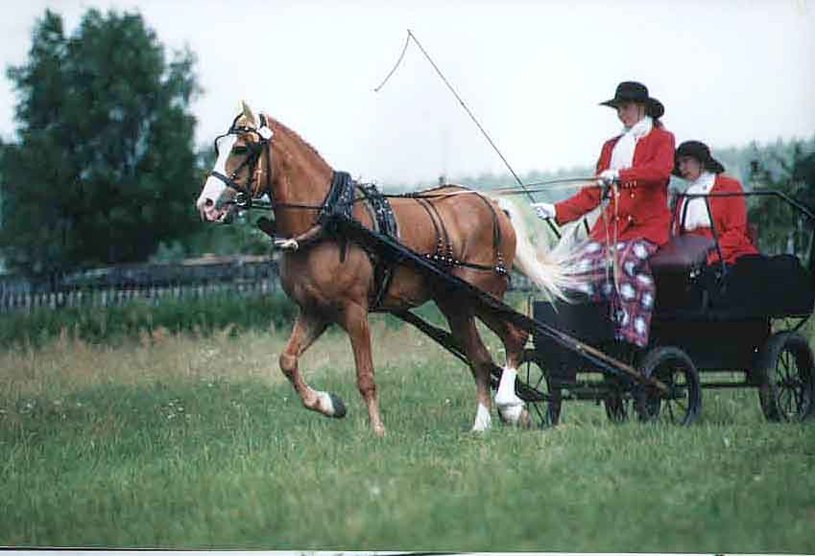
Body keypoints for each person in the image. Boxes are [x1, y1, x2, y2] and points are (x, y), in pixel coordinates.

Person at [531, 81, 675, 347]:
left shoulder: (661, 139)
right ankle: (593, 331)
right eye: (618, 109)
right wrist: (556, 211)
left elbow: (660, 171)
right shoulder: (611, 147)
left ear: (642, 108)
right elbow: (593, 194)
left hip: (646, 229)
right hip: (611, 230)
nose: (621, 114)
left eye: (626, 107)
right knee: (577, 267)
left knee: (624, 264)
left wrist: (621, 175)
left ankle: (632, 335)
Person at [672, 140, 758, 266]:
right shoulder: (684, 197)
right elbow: (679, 237)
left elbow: (737, 232)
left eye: (686, 161)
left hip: (730, 255)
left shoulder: (729, 187)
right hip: (693, 260)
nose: (681, 168)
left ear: (701, 162)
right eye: (679, 164)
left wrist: (713, 256)